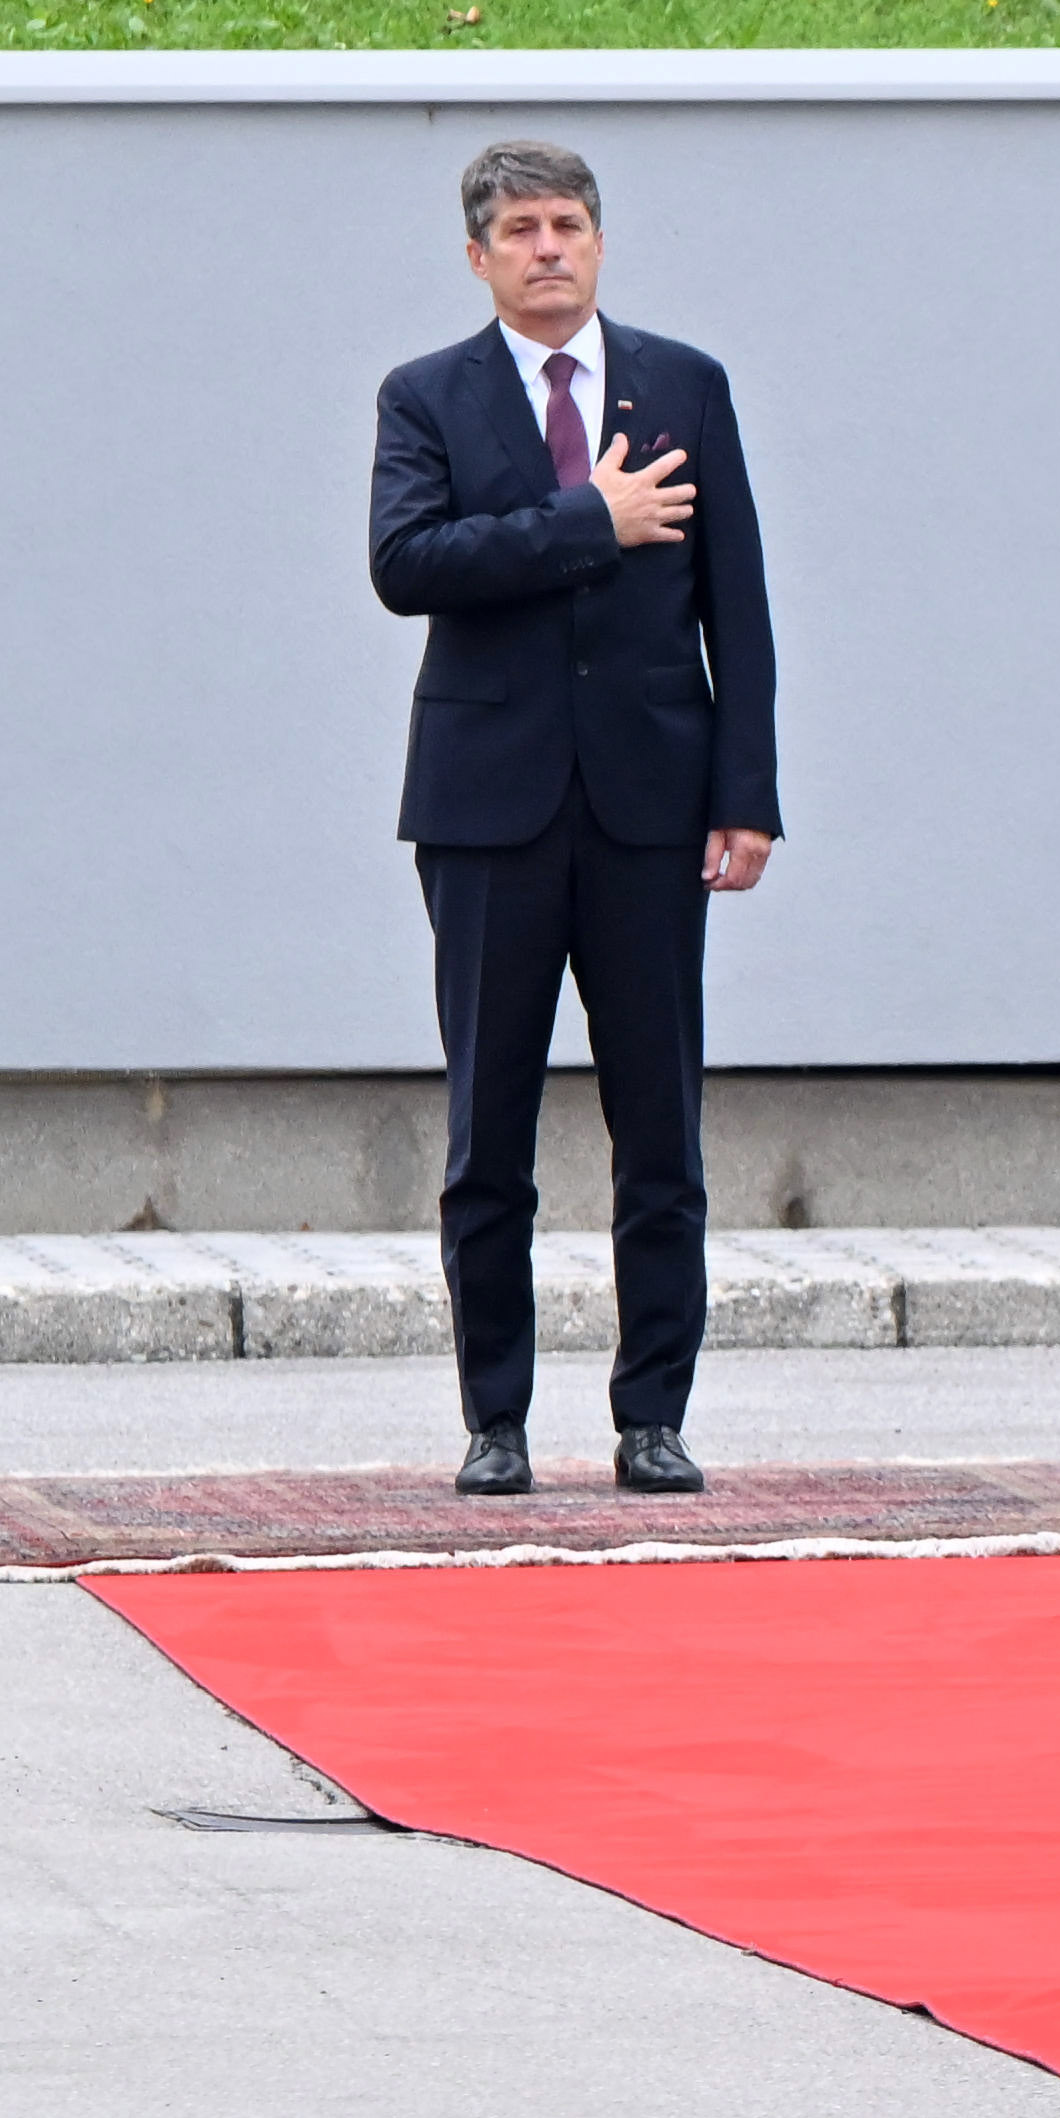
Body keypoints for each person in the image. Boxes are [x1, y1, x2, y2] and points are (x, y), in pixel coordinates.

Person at [365, 137, 776, 1502]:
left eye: (570, 226)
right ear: (478, 256)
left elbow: (740, 607)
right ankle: (496, 1420)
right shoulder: (426, 398)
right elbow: (407, 566)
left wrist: (747, 795)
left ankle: (653, 1415)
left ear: (600, 244)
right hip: (489, 812)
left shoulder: (686, 388)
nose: (550, 249)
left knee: (660, 1125)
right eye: (523, 230)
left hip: (654, 808)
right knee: (492, 1129)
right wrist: (584, 519)